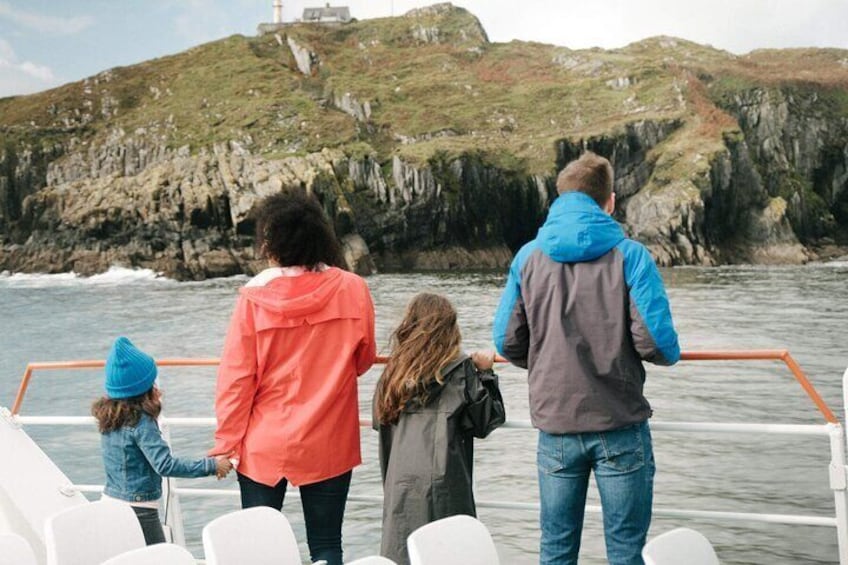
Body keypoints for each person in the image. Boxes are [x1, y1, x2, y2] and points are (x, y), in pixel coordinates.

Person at [492, 151, 680, 565]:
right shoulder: (630, 256)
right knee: (627, 550)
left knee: (556, 548)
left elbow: (506, 341)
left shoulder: (528, 258)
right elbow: (656, 344)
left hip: (556, 424)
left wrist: (546, 360)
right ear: (609, 201)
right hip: (619, 422)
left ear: (557, 200)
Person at [211, 189, 376, 565]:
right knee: (327, 545)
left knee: (259, 550)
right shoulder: (354, 289)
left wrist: (226, 443)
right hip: (329, 439)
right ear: (320, 235)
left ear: (271, 244)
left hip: (265, 444)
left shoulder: (252, 300)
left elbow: (237, 380)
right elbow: (363, 359)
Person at [374, 293, 506, 565]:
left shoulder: (393, 373)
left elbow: (379, 421)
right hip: (447, 479)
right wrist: (486, 374)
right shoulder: (460, 370)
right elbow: (486, 421)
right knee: (448, 548)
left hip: (400, 478)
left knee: (403, 549)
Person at [92, 336, 232, 545]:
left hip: (110, 501)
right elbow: (165, 465)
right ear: (145, 388)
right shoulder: (141, 422)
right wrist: (212, 466)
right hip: (139, 510)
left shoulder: (109, 416)